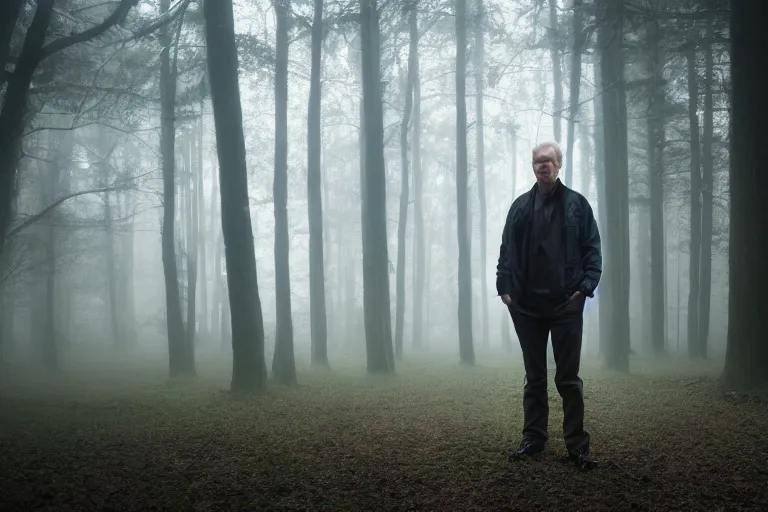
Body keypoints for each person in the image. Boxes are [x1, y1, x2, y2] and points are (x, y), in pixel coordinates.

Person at [496, 141, 601, 472]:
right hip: (526, 307)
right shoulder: (519, 208)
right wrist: (504, 289)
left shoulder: (577, 206)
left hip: (565, 305)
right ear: (533, 166)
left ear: (559, 165)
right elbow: (506, 251)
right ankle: (534, 438)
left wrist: (584, 289)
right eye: (538, 161)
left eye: (549, 161)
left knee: (568, 379)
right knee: (535, 377)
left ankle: (576, 446)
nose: (543, 166)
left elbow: (592, 251)